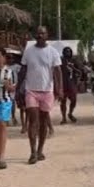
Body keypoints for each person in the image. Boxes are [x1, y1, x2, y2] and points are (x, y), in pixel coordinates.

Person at [20, 26, 64, 164]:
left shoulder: (53, 52)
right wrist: (17, 88)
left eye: (42, 33)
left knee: (44, 122)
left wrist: (59, 88)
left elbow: (57, 72)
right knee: (33, 120)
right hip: (31, 90)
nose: (40, 35)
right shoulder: (28, 52)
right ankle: (32, 152)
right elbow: (23, 70)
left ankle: (40, 150)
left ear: (47, 35)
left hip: (47, 91)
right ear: (35, 35)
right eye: (38, 33)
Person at [59, 46, 80, 124]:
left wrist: (73, 68)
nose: (68, 53)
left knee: (74, 100)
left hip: (72, 84)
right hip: (63, 84)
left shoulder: (74, 61)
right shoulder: (60, 61)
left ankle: (70, 113)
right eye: (66, 51)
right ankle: (63, 118)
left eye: (69, 51)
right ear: (63, 53)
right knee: (63, 102)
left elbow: (79, 72)